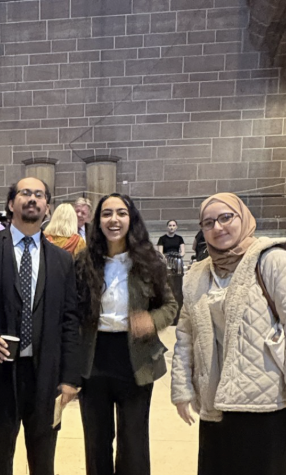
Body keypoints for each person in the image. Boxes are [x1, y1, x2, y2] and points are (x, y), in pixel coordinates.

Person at [171, 193, 286, 475]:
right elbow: (185, 336)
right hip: (215, 403)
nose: (218, 227)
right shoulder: (198, 273)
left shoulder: (275, 260)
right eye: (208, 222)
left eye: (226, 217)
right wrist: (182, 389)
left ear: (244, 217)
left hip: (265, 403)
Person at [0, 178, 81, 475]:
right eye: (25, 193)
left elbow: (69, 319)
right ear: (11, 204)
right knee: (0, 454)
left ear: (47, 207)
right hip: (0, 372)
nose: (33, 199)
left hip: (44, 375)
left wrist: (70, 377)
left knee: (44, 457)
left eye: (39, 195)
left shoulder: (62, 260)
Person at [74, 193, 177, 475]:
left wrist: (151, 319)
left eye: (121, 213)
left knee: (133, 442)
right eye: (107, 214)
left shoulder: (148, 261)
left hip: (137, 359)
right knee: (96, 442)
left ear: (131, 219)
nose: (114, 219)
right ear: (98, 221)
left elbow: (170, 306)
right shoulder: (84, 261)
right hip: (94, 358)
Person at [158, 220, 186, 314]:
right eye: (170, 225)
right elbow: (160, 253)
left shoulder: (179, 238)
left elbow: (183, 252)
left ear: (176, 227)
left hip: (177, 262)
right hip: (166, 262)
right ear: (167, 227)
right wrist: (166, 259)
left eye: (173, 225)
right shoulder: (162, 238)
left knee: (177, 285)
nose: (171, 227)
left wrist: (178, 257)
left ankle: (178, 308)